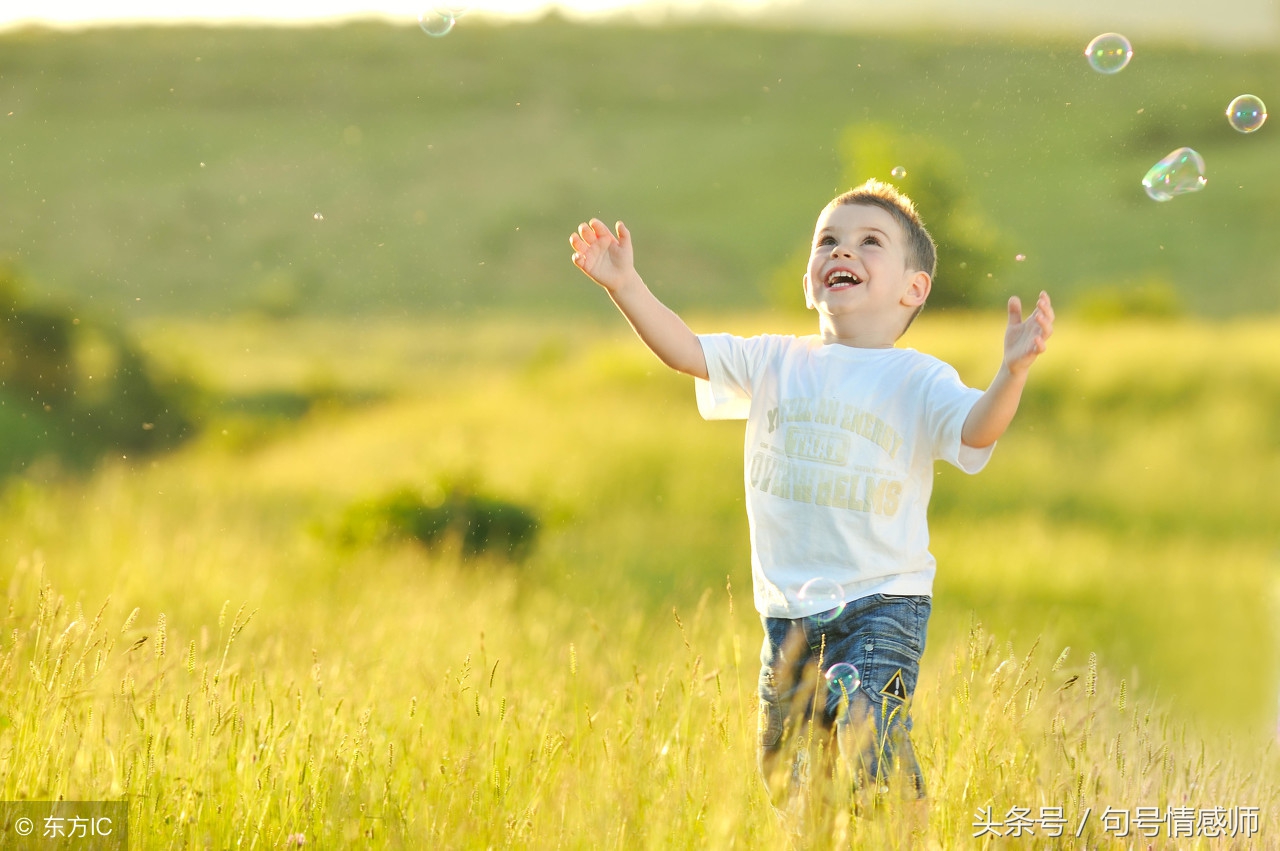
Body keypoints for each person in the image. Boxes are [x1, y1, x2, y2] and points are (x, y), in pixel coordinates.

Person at [568, 179, 1053, 829]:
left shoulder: (918, 377)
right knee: (788, 771)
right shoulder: (774, 360)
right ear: (808, 281)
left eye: (868, 241)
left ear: (913, 288)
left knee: (871, 743)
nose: (841, 250)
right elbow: (684, 350)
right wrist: (624, 284)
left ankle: (908, 836)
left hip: (882, 598)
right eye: (827, 240)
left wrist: (1011, 373)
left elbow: (977, 429)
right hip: (788, 607)